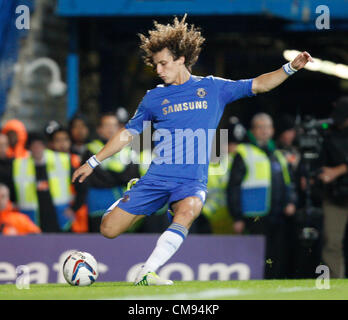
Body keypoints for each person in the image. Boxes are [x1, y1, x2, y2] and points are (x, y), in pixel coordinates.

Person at [72, 15, 312, 285]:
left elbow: (259, 83)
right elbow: (128, 133)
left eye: (163, 63)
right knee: (108, 230)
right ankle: (134, 191)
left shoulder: (212, 88)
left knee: (190, 209)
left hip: (191, 181)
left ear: (181, 59)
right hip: (157, 178)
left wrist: (290, 67)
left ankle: (146, 272)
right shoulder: (154, 98)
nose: (159, 70)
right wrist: (93, 161)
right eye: (156, 65)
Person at [227, 113, 297, 278]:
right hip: (254, 216)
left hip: (278, 214)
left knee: (276, 254)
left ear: (273, 130)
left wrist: (291, 201)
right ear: (253, 130)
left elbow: (288, 182)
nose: (265, 131)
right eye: (260, 127)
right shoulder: (244, 152)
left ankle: (275, 284)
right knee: (256, 256)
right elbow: (233, 187)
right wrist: (237, 217)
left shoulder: (278, 155)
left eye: (268, 127)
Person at [13, 132, 85, 232]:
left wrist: (74, 208)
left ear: (45, 146)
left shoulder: (61, 160)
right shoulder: (20, 165)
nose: (37, 149)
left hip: (59, 215)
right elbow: (13, 189)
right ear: (29, 148)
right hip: (32, 217)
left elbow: (82, 185)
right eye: (34, 146)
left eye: (39, 146)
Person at [82, 112, 138, 232]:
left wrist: (112, 176)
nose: (110, 129)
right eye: (106, 125)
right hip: (99, 204)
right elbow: (96, 178)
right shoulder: (91, 149)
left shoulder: (128, 149)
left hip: (122, 205)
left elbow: (132, 175)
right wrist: (118, 178)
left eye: (114, 125)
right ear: (99, 130)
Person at [318, 96, 348, 278]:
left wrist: (339, 169)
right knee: (332, 243)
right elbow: (319, 165)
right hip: (336, 196)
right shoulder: (327, 135)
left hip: (338, 190)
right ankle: (337, 284)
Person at [202, 117, 246, 234]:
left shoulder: (242, 162)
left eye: (236, 144)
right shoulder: (212, 164)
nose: (233, 148)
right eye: (230, 143)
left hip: (228, 219)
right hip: (216, 220)